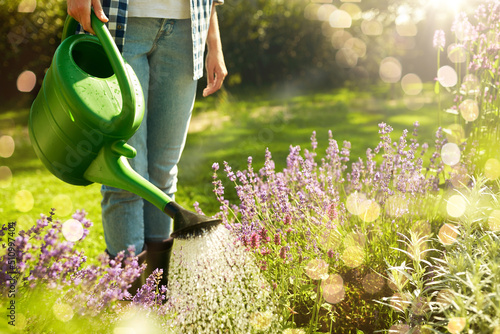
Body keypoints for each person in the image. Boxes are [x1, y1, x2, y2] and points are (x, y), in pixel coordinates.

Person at [66, 0, 228, 291]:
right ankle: (128, 300)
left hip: (186, 29)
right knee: (125, 174)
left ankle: (155, 297)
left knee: (163, 172)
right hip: (118, 23)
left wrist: (214, 44)